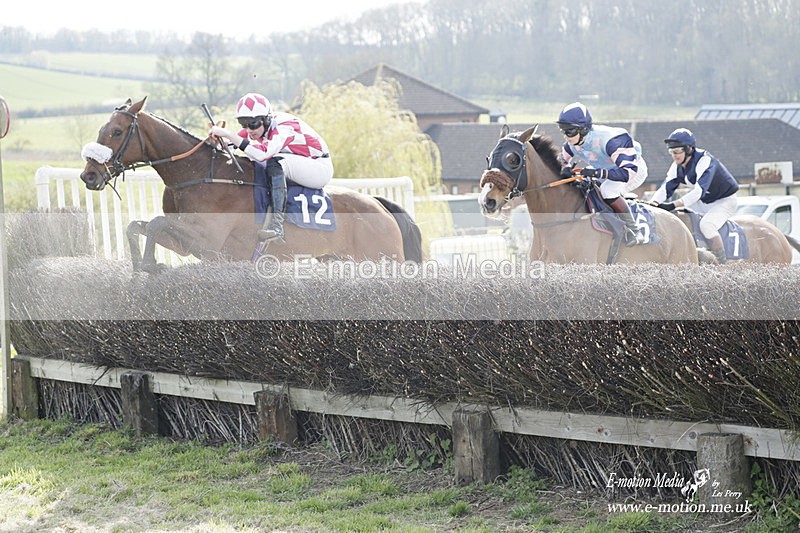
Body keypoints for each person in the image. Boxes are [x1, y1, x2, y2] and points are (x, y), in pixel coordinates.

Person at [209, 92, 333, 242]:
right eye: (244, 124)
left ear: (266, 119)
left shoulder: (285, 126)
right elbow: (228, 147)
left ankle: (277, 225)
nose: (249, 130)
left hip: (319, 168)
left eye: (253, 124)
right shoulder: (257, 127)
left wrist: (228, 134)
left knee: (275, 162)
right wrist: (216, 141)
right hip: (299, 162)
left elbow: (262, 154)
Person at [556, 102, 648, 246]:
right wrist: (565, 169)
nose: (566, 136)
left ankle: (634, 229)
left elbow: (626, 173)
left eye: (570, 131)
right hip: (606, 167)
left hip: (633, 169)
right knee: (583, 184)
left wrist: (597, 172)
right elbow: (561, 160)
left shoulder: (612, 140)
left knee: (608, 190)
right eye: (563, 131)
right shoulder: (572, 143)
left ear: (584, 129)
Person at [650, 128, 739, 263]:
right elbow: (666, 188)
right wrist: (653, 203)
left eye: (677, 151)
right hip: (704, 202)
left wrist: (674, 204)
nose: (674, 155)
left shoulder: (705, 160)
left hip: (725, 201)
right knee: (679, 217)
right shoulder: (676, 166)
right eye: (671, 151)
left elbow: (699, 191)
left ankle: (722, 262)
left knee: (706, 225)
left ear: (689, 149)